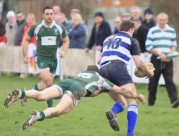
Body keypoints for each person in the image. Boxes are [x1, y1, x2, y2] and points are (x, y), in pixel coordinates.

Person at [3, 65, 146, 130]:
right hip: (77, 90)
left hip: (68, 82)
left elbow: (92, 92)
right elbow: (121, 90)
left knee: (40, 95)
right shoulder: (101, 79)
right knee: (58, 110)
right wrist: (136, 95)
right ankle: (38, 115)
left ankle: (21, 93)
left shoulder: (83, 73)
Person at [98, 20, 154, 136]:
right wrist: (148, 72)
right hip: (118, 67)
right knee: (132, 101)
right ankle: (130, 134)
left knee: (121, 102)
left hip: (103, 70)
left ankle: (113, 112)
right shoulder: (132, 40)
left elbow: (99, 60)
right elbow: (139, 64)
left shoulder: (107, 38)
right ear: (131, 29)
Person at [21, 6, 69, 108]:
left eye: (51, 14)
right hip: (41, 58)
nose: (49, 16)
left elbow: (66, 41)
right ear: (43, 15)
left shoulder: (60, 27)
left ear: (54, 15)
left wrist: (64, 51)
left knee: (45, 85)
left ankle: (27, 92)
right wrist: (25, 55)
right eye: (47, 14)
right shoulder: (36, 27)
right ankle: (50, 109)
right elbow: (26, 40)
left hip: (53, 59)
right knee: (49, 82)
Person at [145, 12, 179, 108]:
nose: (162, 22)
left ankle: (174, 101)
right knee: (153, 81)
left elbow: (173, 45)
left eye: (164, 20)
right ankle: (151, 103)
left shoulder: (171, 31)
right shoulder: (152, 31)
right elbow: (148, 46)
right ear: (157, 21)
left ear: (167, 21)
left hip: (168, 60)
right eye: (160, 20)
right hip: (156, 59)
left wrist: (169, 55)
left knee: (169, 81)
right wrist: (160, 54)